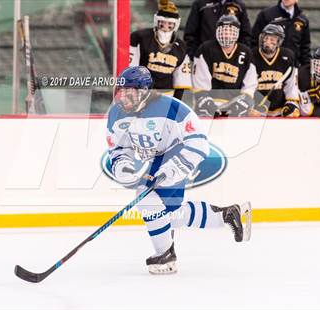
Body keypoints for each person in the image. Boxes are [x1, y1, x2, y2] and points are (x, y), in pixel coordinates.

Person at [107, 65, 251, 274]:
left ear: (144, 92)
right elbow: (118, 148)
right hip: (155, 159)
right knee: (170, 215)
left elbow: (199, 143)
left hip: (178, 153)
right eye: (121, 92)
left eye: (129, 92)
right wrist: (123, 166)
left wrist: (174, 168)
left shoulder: (172, 108)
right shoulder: (116, 113)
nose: (123, 98)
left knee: (146, 198)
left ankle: (165, 254)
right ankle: (227, 214)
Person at [192, 15, 259, 117]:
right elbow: (200, 84)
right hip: (209, 103)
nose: (227, 35)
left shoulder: (246, 52)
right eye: (223, 31)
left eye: (230, 31)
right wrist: (205, 101)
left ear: (237, 32)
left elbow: (250, 84)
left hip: (234, 104)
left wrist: (244, 102)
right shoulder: (205, 49)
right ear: (217, 31)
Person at [129, 0, 191, 100]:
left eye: (170, 24)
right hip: (142, 94)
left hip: (166, 97)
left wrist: (174, 105)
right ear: (156, 21)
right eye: (162, 23)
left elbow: (181, 82)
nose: (166, 28)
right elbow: (131, 70)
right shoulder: (139, 38)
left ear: (176, 24)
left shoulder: (182, 47)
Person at [252, 24, 300, 117]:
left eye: (272, 39)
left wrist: (291, 103)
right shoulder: (252, 55)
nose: (267, 42)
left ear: (279, 42)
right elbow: (247, 85)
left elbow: (291, 83)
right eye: (265, 38)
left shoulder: (287, 56)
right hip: (256, 110)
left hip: (279, 110)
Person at [184, 0, 252, 59]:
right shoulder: (200, 4)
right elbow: (190, 33)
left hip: (231, 60)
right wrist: (195, 55)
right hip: (206, 57)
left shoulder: (239, 6)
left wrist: (237, 56)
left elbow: (246, 35)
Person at [251, 0, 311, 66]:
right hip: (267, 66)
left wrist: (306, 68)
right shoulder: (266, 14)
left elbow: (305, 48)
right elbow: (254, 41)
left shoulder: (303, 20)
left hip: (292, 67)